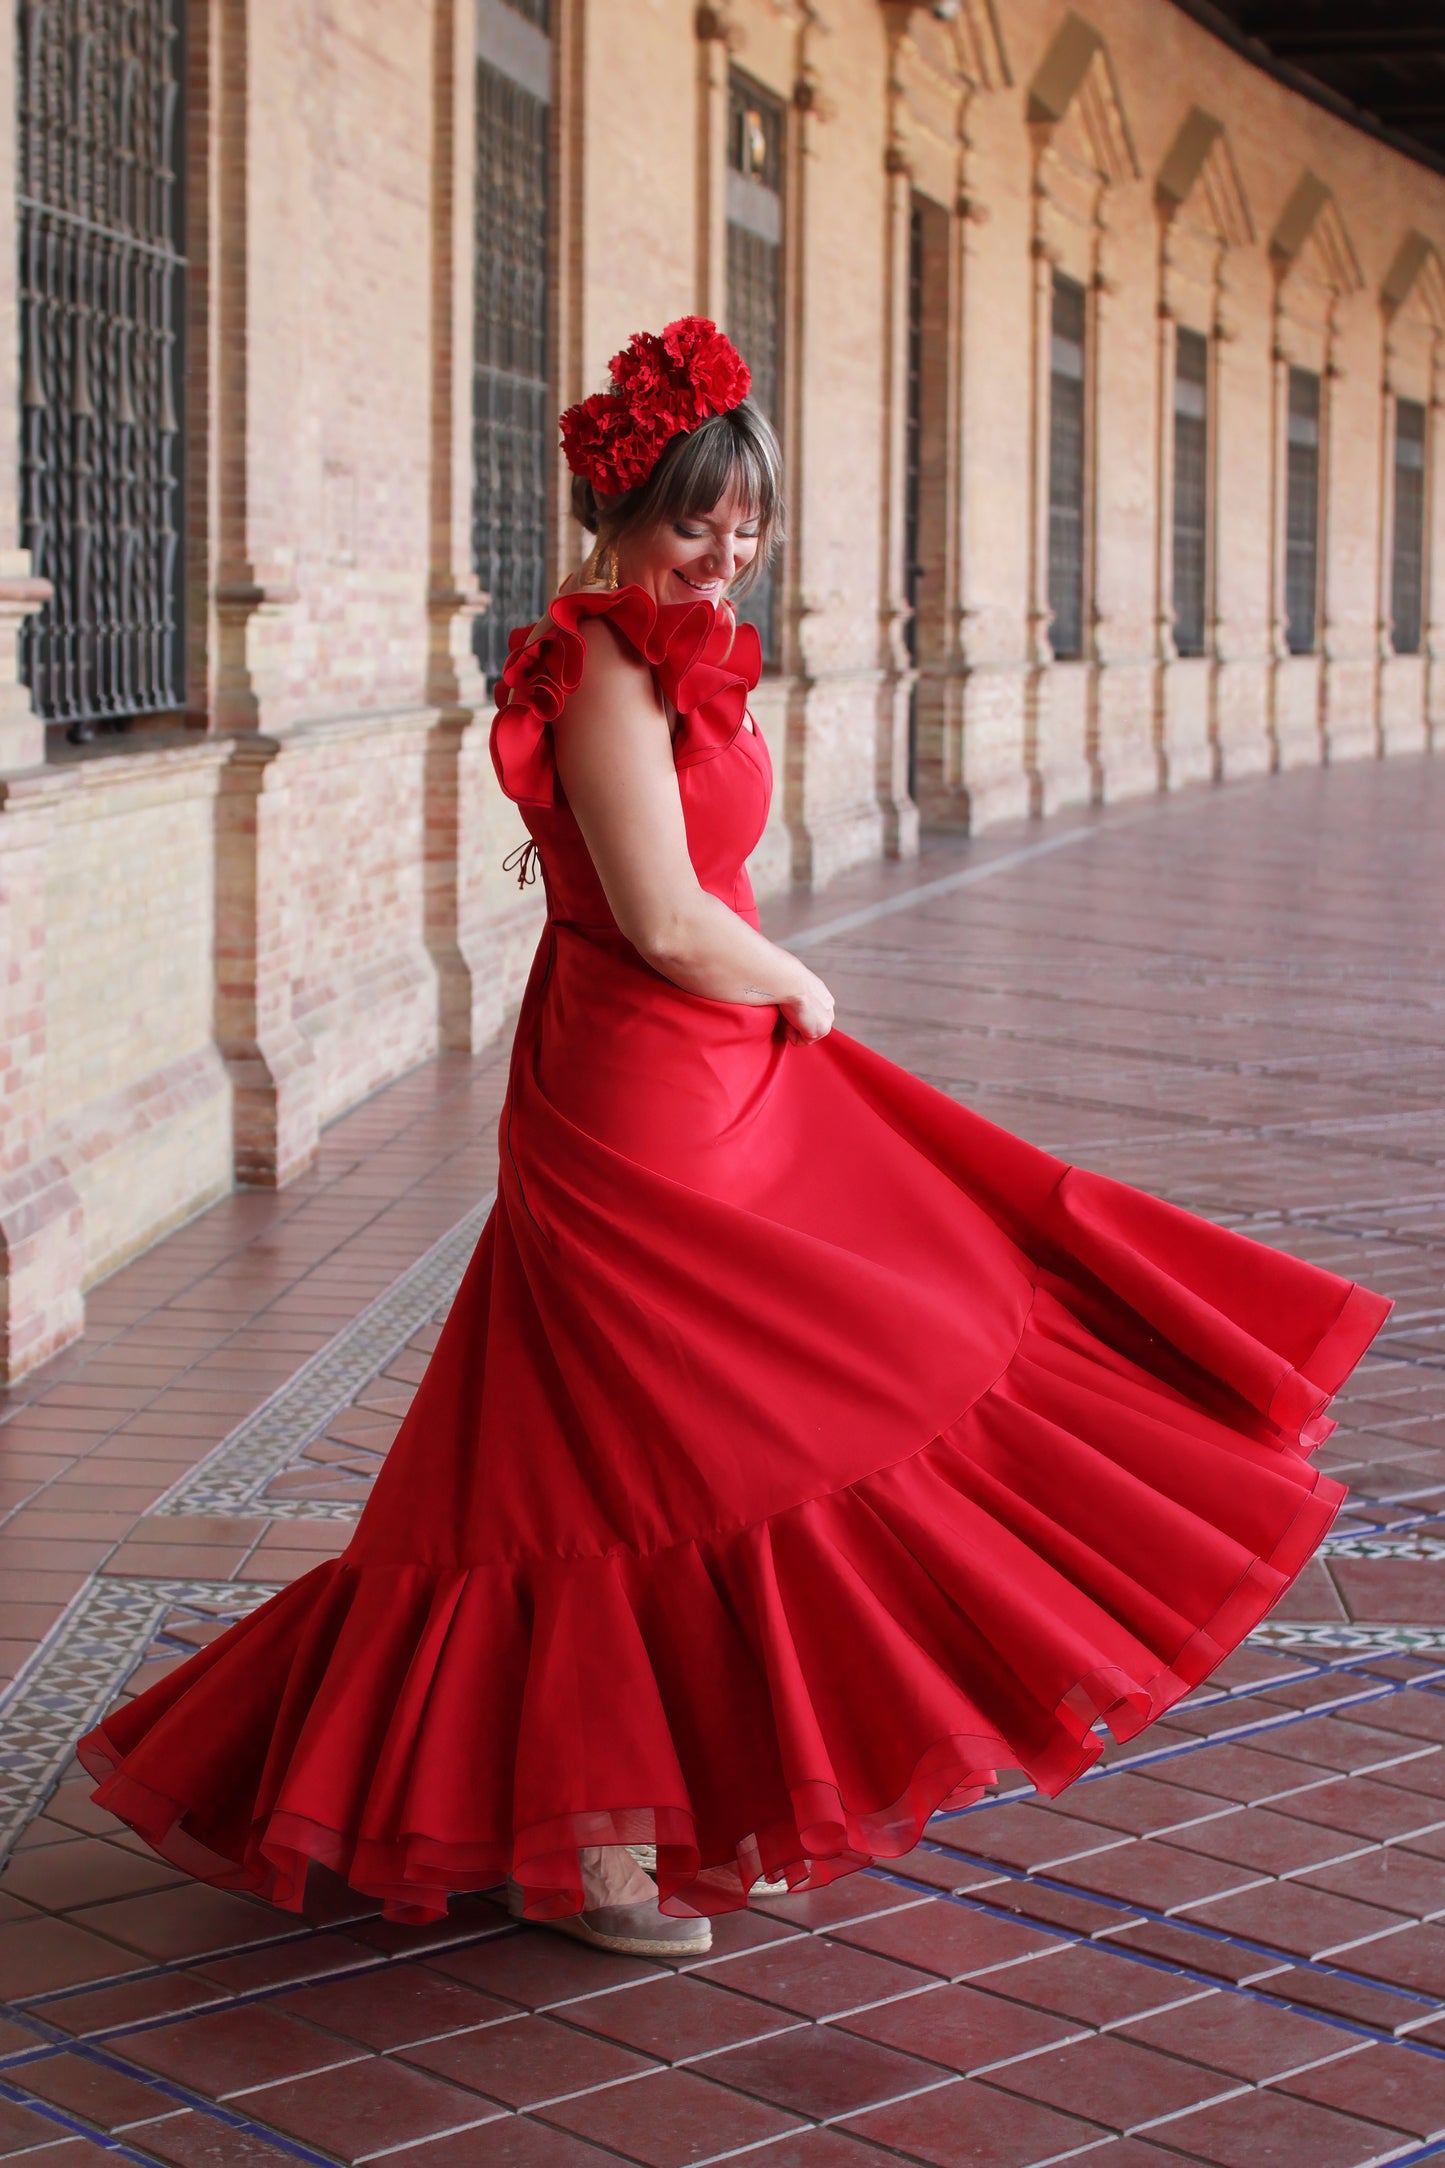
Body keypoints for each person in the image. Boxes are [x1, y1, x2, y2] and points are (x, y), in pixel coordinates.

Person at [79, 318, 1390, 1962]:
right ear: (619, 507)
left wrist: (766, 997)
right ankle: (601, 1835)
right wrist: (798, 980)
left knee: (588, 1451)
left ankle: (587, 1813)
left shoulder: (673, 646)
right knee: (692, 1439)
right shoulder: (606, 664)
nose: (726, 547)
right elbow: (661, 915)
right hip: (645, 1092)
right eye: (696, 516)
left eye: (748, 518)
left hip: (718, 1069)